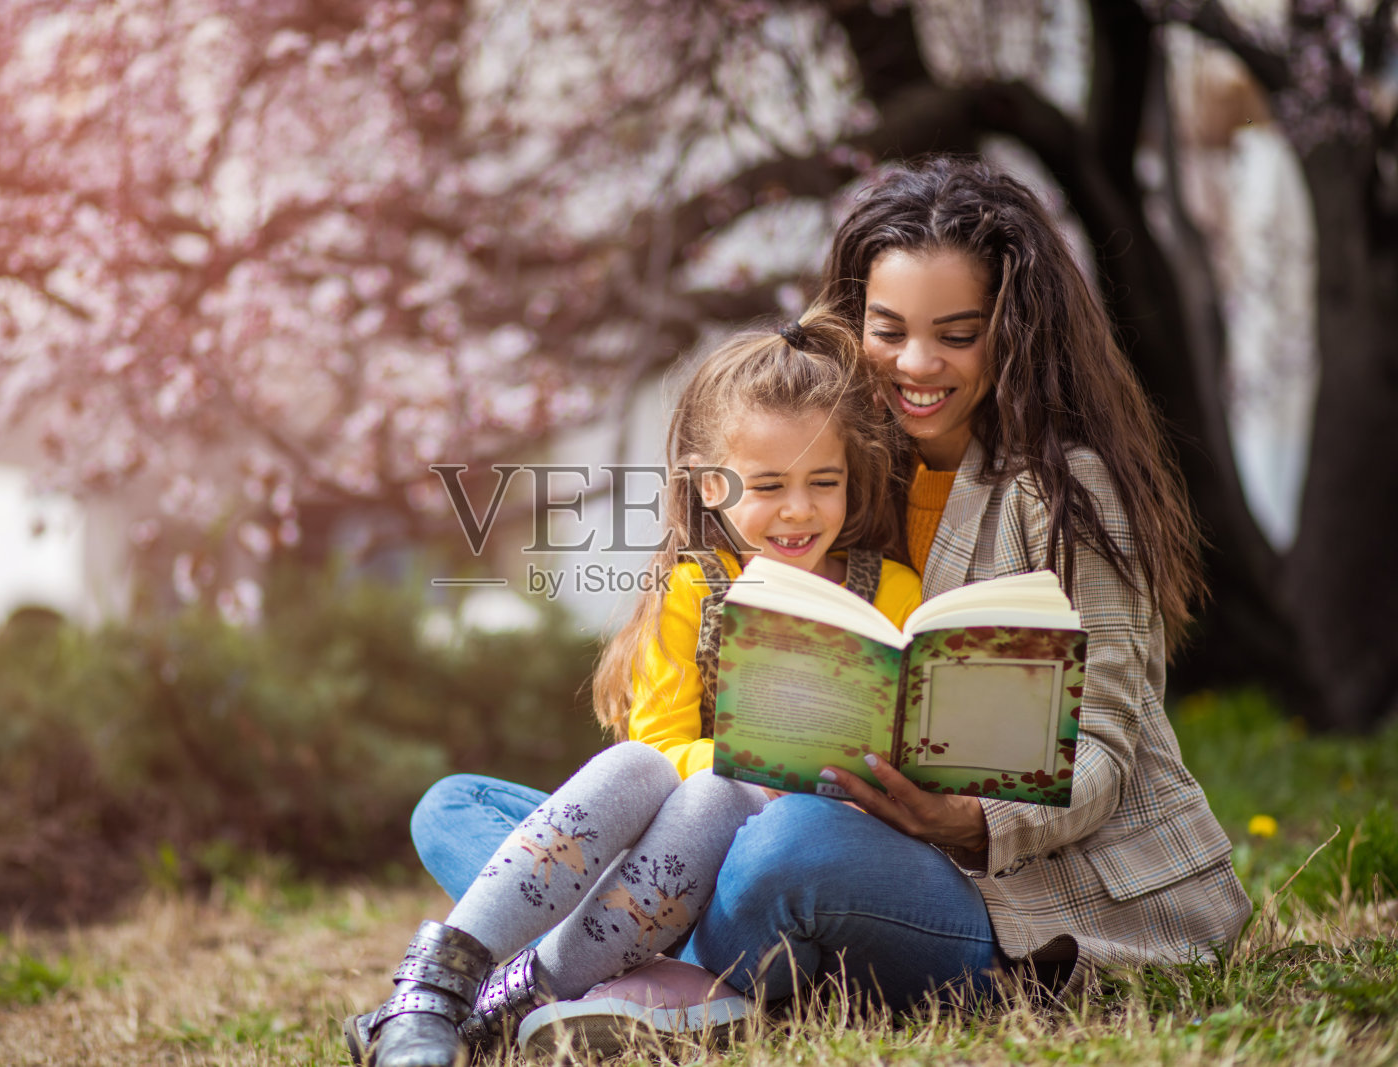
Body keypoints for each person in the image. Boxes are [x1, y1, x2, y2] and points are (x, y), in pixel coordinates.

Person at [411, 155, 1252, 1032]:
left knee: (780, 851)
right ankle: (670, 978)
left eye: (957, 335)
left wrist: (968, 818)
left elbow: (1105, 757)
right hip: (729, 829)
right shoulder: (838, 469)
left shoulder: (1063, 491)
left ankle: (618, 968)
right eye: (888, 330)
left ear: (1013, 332)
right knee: (459, 809)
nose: (916, 363)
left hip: (975, 890)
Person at [348, 305, 923, 1067]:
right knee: (461, 801)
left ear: (855, 479)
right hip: (664, 861)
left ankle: (511, 989)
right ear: (713, 487)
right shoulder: (694, 587)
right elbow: (657, 743)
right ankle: (452, 983)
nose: (798, 508)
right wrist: (746, 759)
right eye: (769, 484)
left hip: (762, 884)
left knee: (721, 798)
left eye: (825, 481)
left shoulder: (891, 591)